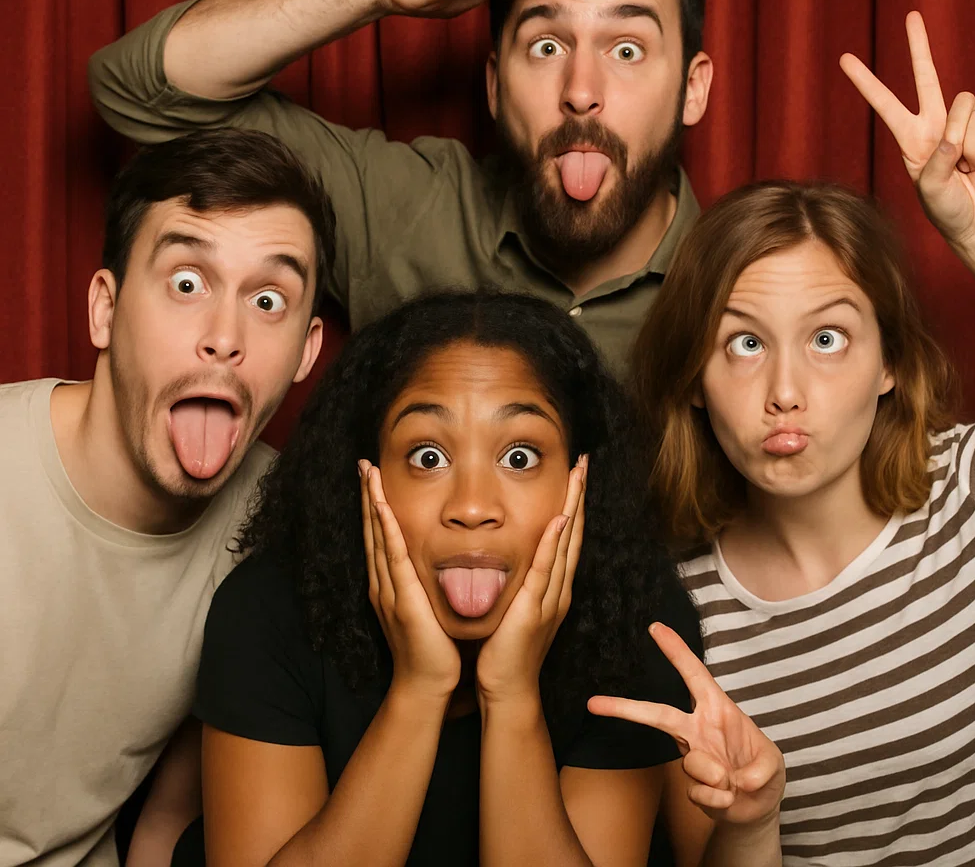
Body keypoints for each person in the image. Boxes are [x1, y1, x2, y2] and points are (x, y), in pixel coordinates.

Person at [606, 12, 975, 865]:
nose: (785, 392)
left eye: (828, 338)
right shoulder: (677, 616)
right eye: (743, 344)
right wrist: (751, 822)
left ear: (890, 363)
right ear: (693, 380)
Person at [169, 291, 782, 867]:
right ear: (366, 475)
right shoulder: (267, 611)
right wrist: (420, 688)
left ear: (580, 480)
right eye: (428, 457)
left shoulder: (633, 619)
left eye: (519, 457)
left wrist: (510, 696)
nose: (471, 506)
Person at [87, 0, 714, 377]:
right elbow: (142, 92)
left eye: (627, 50)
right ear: (494, 86)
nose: (580, 90)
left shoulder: (736, 288)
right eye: (546, 46)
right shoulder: (408, 208)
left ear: (692, 89)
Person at [0, 128, 333, 867]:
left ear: (307, 352)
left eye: (268, 300)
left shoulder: (277, 524)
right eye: (187, 283)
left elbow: (168, 822)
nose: (224, 337)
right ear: (105, 309)